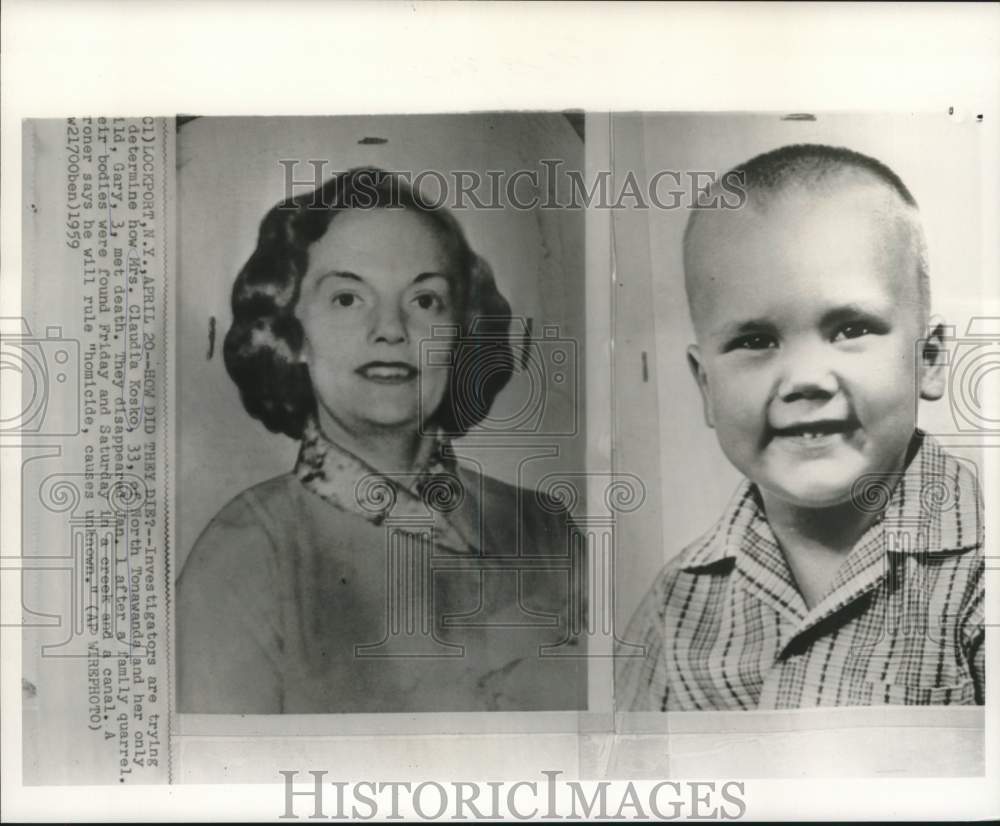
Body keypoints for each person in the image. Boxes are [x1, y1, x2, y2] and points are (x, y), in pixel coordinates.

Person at [177, 168, 586, 713]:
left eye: (425, 301)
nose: (390, 330)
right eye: (348, 299)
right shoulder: (243, 555)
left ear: (461, 331)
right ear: (292, 334)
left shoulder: (546, 527)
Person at [618, 144, 984, 710]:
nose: (806, 381)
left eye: (851, 328)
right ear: (706, 387)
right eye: (755, 341)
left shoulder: (982, 578)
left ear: (929, 359)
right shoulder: (675, 606)